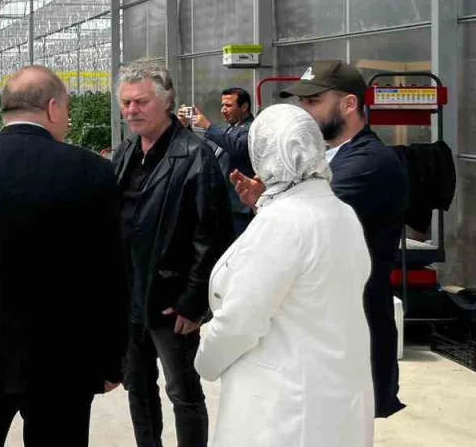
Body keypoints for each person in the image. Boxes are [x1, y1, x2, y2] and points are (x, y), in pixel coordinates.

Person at [0, 66, 127, 447]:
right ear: (52, 108)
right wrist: (112, 359)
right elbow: (110, 273)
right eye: (67, 109)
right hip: (63, 359)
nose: (67, 119)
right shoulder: (93, 171)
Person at [231, 60, 408, 418]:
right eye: (301, 102)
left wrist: (269, 201)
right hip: (322, 330)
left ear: (349, 104)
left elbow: (304, 223)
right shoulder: (329, 158)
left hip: (351, 333)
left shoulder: (368, 164)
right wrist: (263, 201)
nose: (303, 111)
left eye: (313, 101)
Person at [195, 104, 374, 447]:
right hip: (335, 393)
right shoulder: (340, 212)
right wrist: (264, 203)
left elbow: (241, 319)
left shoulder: (283, 223)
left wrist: (206, 358)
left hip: (283, 406)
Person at [113, 60, 232, 447]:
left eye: (141, 102)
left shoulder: (195, 156)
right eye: (126, 103)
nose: (132, 110)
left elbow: (211, 235)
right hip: (132, 295)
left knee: (183, 390)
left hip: (171, 301)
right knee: (137, 384)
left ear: (167, 102)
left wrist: (192, 303)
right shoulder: (127, 153)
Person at [181, 87, 256, 238]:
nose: (223, 110)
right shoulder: (227, 129)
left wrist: (208, 127)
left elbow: (236, 147)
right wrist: (186, 127)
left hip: (239, 207)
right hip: (221, 203)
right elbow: (205, 150)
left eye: (228, 106)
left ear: (244, 107)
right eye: (222, 105)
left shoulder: (252, 128)